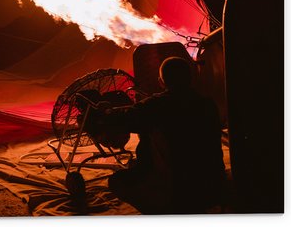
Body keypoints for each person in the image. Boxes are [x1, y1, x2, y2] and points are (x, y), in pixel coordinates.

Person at [85, 57, 226, 214]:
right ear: (191, 77)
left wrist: (106, 111)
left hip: (178, 193)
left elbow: (124, 118)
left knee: (117, 182)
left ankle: (161, 211)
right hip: (212, 189)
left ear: (161, 82)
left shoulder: (156, 105)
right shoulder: (208, 104)